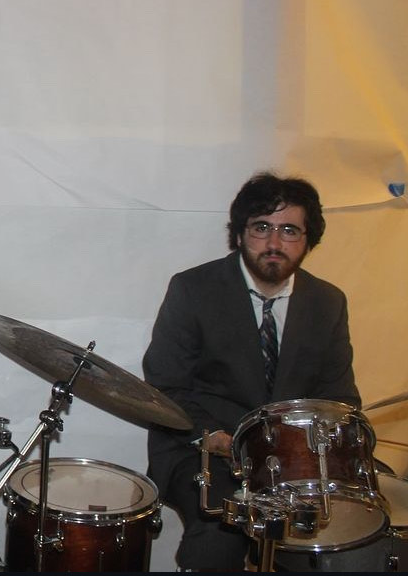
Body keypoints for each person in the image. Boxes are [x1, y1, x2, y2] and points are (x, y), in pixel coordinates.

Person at [142, 172, 360, 571]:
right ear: (239, 234)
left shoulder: (328, 302)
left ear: (309, 241)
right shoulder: (193, 289)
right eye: (262, 227)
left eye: (290, 230)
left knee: (333, 532)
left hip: (291, 459)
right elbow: (164, 386)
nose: (274, 243)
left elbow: (340, 397)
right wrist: (220, 439)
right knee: (223, 526)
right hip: (204, 447)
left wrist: (307, 452)